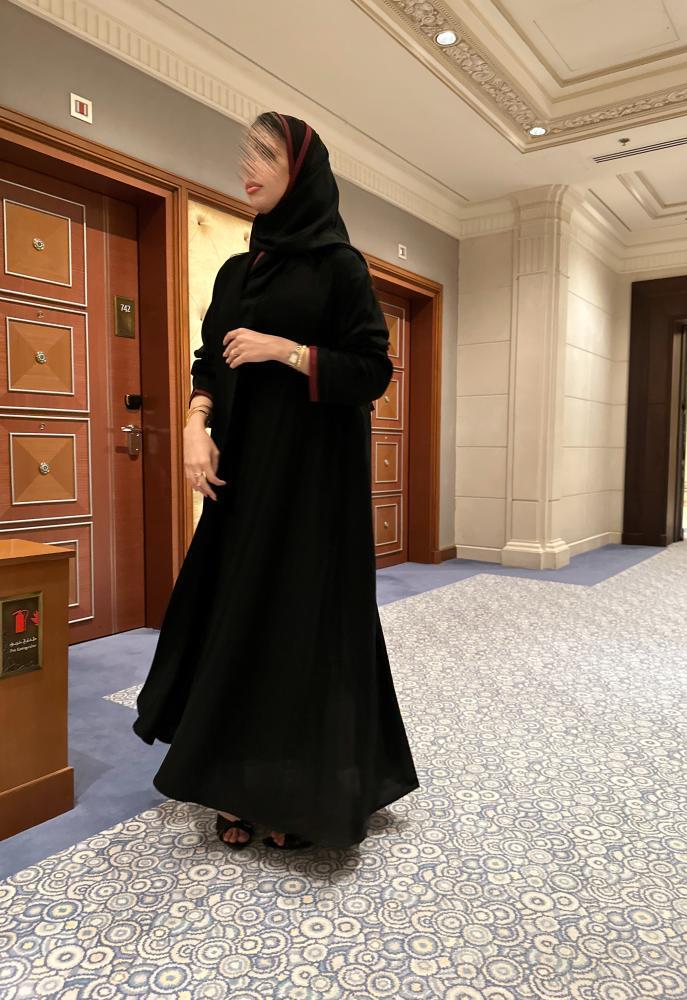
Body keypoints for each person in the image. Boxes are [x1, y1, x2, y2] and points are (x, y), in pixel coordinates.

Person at [132, 111, 420, 851]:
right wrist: (195, 426)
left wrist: (286, 352)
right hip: (244, 479)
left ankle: (299, 794)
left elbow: (373, 369)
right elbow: (208, 361)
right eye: (246, 152)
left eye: (265, 153)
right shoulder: (236, 272)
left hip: (314, 486)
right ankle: (235, 784)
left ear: (302, 171)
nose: (247, 166)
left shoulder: (340, 268)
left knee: (300, 625)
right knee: (238, 617)